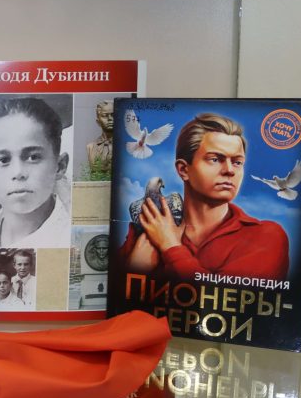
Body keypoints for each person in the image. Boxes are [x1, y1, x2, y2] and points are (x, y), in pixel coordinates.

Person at [120, 113, 290, 280]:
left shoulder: (267, 236)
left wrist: (169, 246)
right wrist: (134, 265)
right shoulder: (148, 228)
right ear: (183, 170)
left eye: (237, 162)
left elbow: (223, 295)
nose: (230, 170)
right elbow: (118, 294)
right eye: (215, 159)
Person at [0, 97, 71, 248]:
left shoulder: (71, 237)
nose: (18, 173)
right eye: (3, 160)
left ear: (60, 166)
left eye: (33, 157)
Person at [86, 99, 115, 178]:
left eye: (113, 115)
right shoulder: (90, 147)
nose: (110, 118)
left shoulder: (125, 146)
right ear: (98, 122)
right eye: (105, 115)